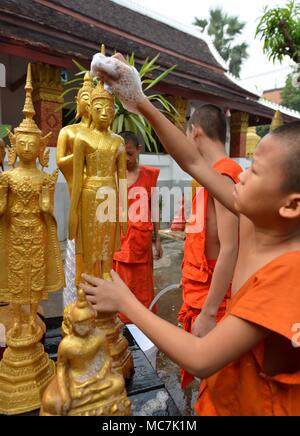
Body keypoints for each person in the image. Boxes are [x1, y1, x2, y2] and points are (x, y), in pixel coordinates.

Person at [82, 53, 300, 416]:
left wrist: (125, 302)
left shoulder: (289, 273)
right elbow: (195, 162)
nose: (240, 175)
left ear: (291, 206)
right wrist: (140, 101)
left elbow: (201, 359)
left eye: (256, 171)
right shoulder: (249, 214)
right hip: (223, 397)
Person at [178, 105, 241, 388]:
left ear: (195, 131)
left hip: (216, 303)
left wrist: (209, 313)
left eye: (186, 133)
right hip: (204, 292)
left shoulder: (225, 175)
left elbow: (231, 247)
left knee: (220, 385)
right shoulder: (213, 175)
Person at [113, 131, 162, 324]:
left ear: (139, 150)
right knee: (119, 287)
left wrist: (157, 239)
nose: (125, 159)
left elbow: (153, 208)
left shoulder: (149, 175)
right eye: (121, 154)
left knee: (142, 290)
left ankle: (144, 327)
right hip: (119, 244)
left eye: (130, 154)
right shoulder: (111, 176)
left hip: (141, 244)